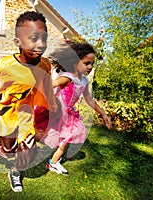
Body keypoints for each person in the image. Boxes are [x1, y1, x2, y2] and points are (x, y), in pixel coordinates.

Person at [0, 11, 58, 192]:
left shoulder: (44, 65)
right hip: (4, 115)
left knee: (29, 150)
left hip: (25, 114)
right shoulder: (3, 68)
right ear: (17, 42)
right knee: (10, 150)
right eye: (34, 39)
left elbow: (46, 84)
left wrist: (52, 105)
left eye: (44, 39)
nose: (40, 45)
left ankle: (15, 171)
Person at [39, 41, 112, 175]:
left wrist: (103, 114)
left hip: (68, 115)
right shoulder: (67, 78)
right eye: (86, 63)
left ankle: (53, 163)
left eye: (92, 63)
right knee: (41, 133)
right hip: (55, 111)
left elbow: (89, 99)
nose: (90, 67)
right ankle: (15, 147)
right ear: (74, 63)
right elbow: (48, 85)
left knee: (66, 139)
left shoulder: (84, 81)